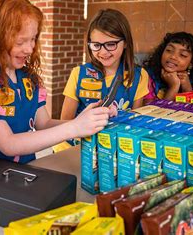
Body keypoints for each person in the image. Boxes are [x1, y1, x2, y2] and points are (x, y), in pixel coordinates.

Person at [0, 0, 114, 177]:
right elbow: (9, 144)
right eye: (20, 42)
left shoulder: (28, 78)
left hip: (19, 174)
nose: (29, 48)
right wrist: (74, 128)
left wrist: (86, 121)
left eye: (33, 39)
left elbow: (44, 123)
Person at [57, 9, 150, 151]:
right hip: (75, 148)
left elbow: (134, 124)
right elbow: (65, 122)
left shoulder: (139, 76)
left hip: (115, 150)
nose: (103, 52)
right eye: (96, 45)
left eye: (111, 44)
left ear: (125, 43)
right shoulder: (78, 73)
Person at [143, 32, 193, 101]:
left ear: (191, 63)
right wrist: (174, 87)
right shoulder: (145, 77)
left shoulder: (188, 81)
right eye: (169, 50)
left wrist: (187, 89)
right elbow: (153, 111)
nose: (173, 57)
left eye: (182, 55)